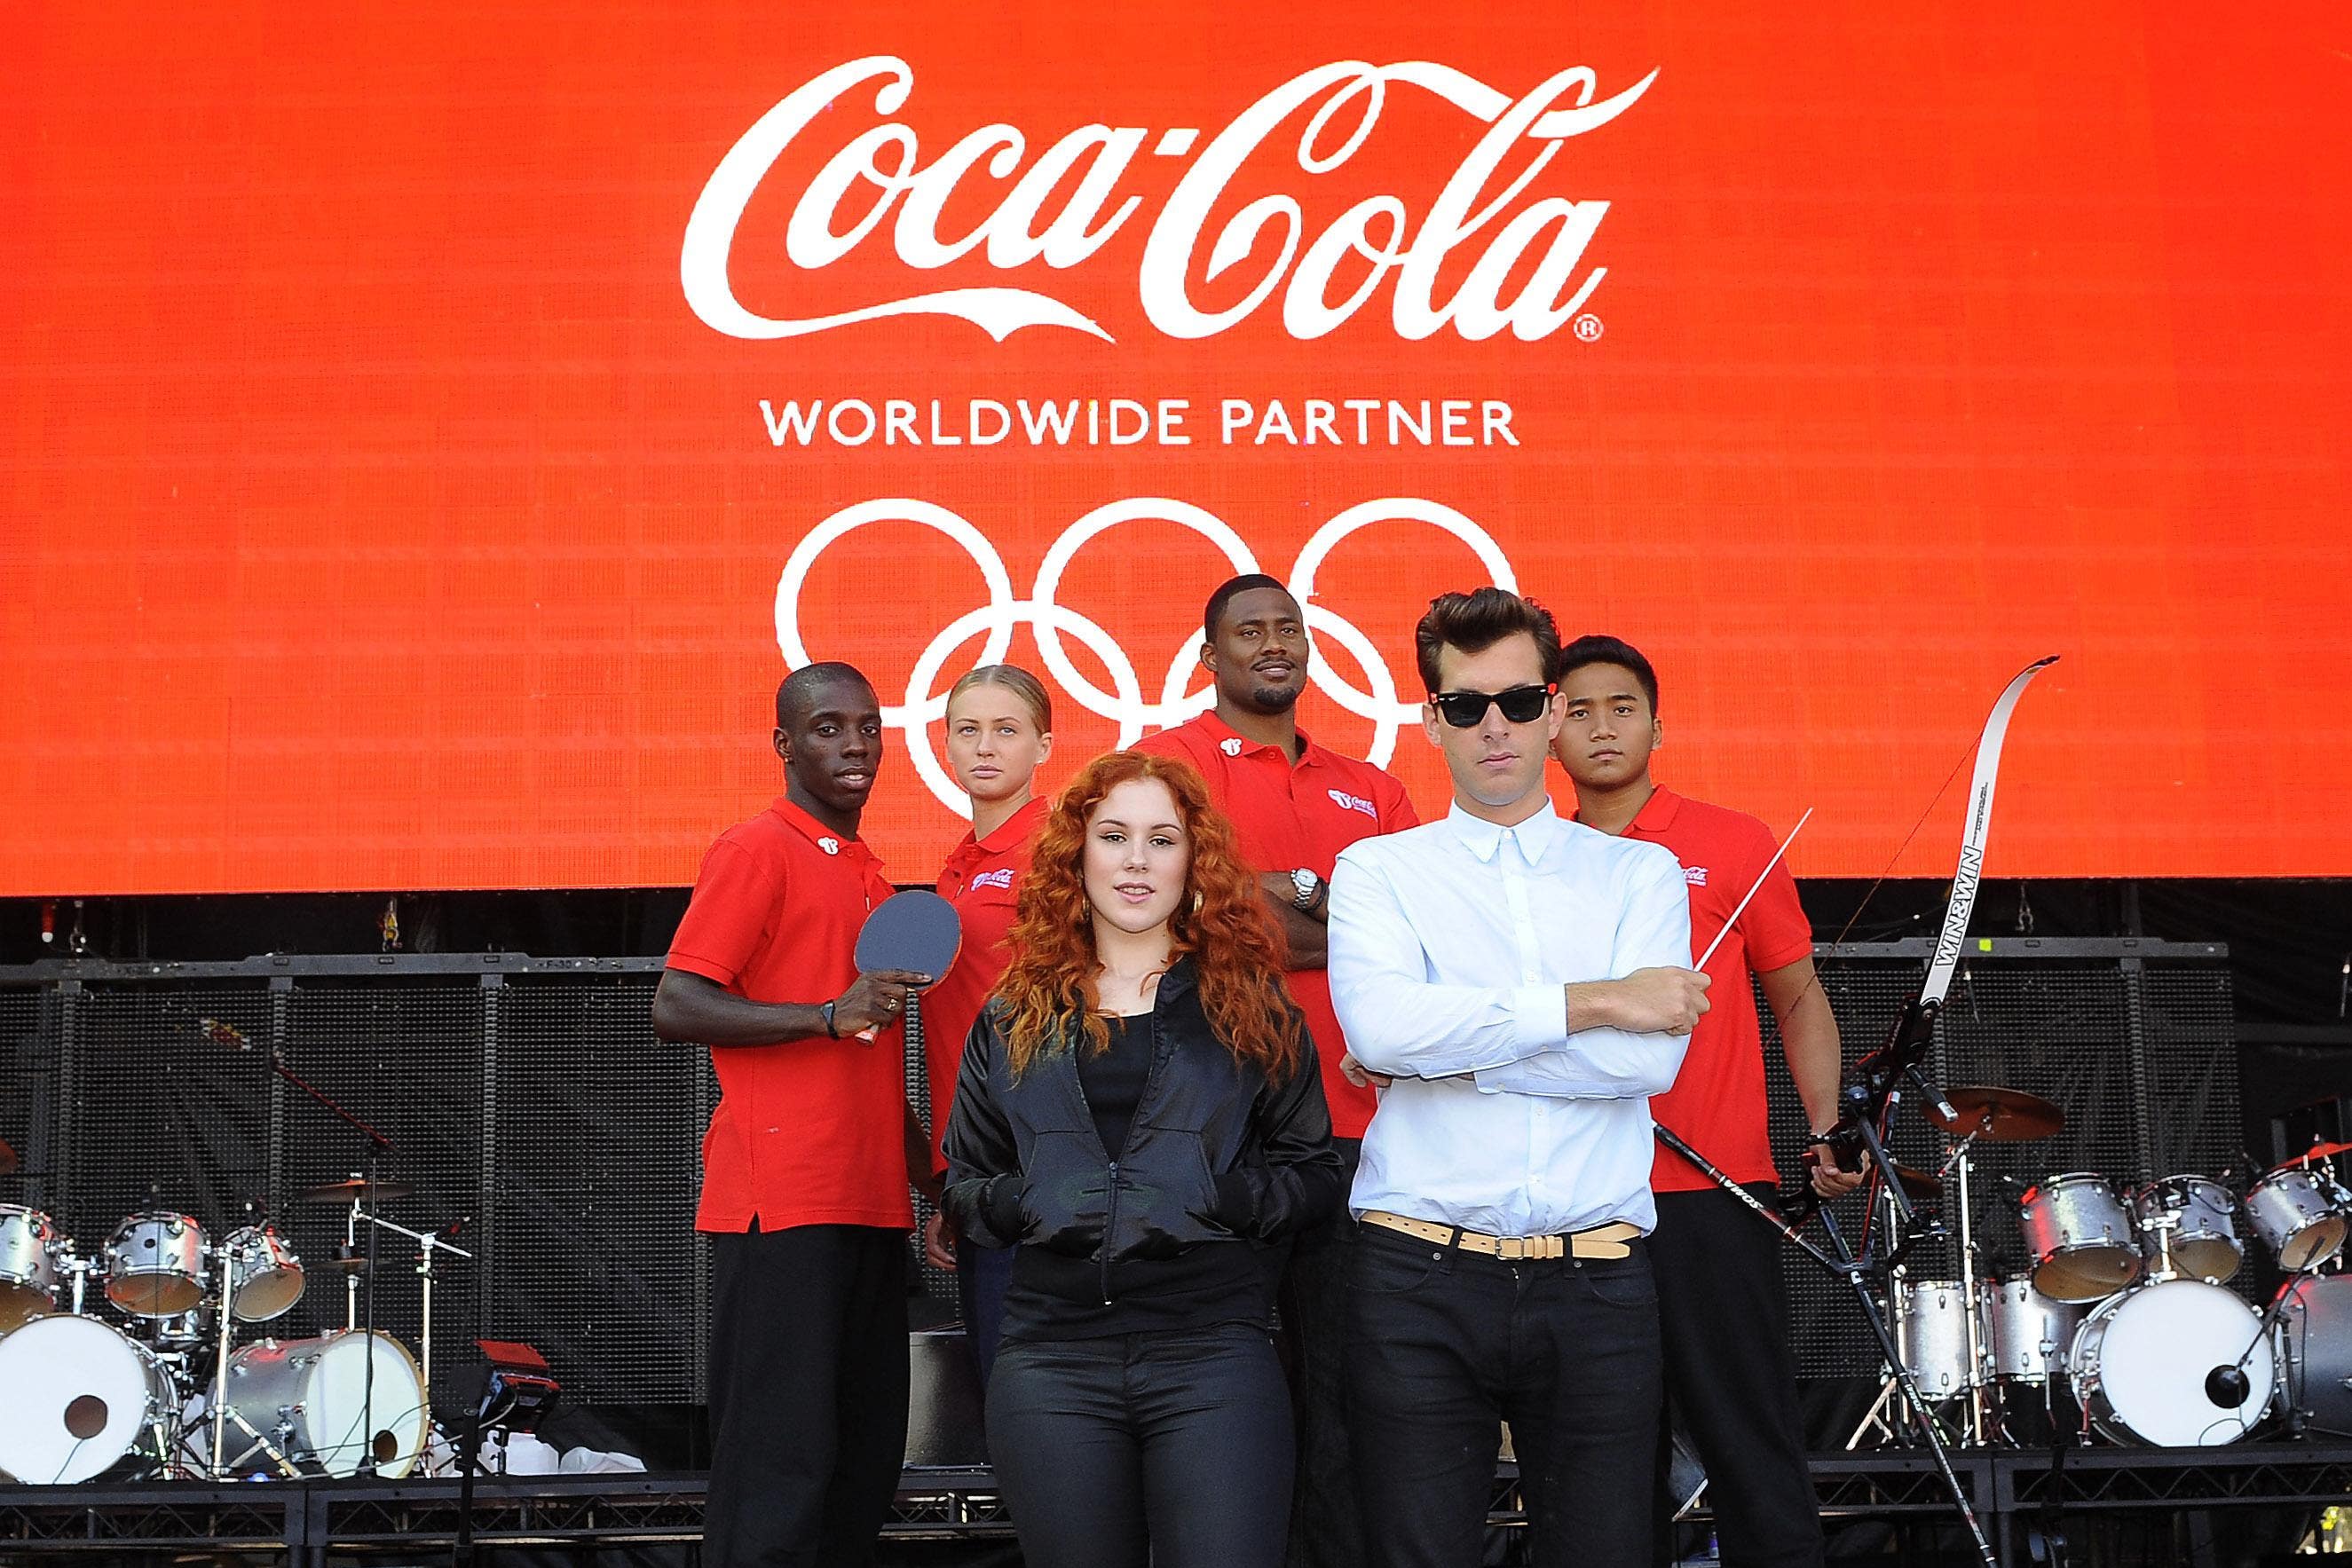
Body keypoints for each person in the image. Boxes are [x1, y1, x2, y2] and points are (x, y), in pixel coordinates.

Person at [1325, 588, 1710, 1568]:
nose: (1492, 726)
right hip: (1417, 1273)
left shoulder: (1641, 875)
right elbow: (1379, 1025)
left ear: (1551, 709)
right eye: (1465, 706)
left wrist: (1443, 1049)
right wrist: (1595, 1000)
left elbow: (1647, 1060)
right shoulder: (1377, 869)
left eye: (1516, 701)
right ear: (1431, 720)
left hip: (1598, 1279)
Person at [941, 750, 1346, 1568]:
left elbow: (1316, 1177)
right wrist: (1029, 1202)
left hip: (1213, 1356)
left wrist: (1217, 1196)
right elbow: (965, 1188)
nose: (1135, 859)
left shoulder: (1252, 1005)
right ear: (1076, 856)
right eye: (1114, 835)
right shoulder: (1014, 1013)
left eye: (1162, 839)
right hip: (1052, 1361)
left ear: (1194, 860)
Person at [1551, 634, 1856, 1568]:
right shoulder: (1530, 857)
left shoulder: (1731, 840)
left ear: (1658, 724)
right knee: (1600, 1458)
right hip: (1574, 1199)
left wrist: (1824, 1126)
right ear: (1547, 729)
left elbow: (1797, 997)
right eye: (1580, 710)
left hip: (1713, 1192)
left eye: (1623, 708)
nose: (1602, 727)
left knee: (1746, 1435)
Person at [1130, 572, 1416, 1568]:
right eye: (1246, 631)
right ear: (1209, 657)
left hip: (1353, 1128)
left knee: (1343, 1393)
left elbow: (1407, 935)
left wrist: (1239, 906)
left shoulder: (1371, 787)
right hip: (1210, 1131)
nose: (1271, 643)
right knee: (1215, 1390)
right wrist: (1315, 900)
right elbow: (1157, 906)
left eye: (1286, 627)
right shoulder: (1165, 768)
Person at [649, 661, 936, 1568]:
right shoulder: (754, 848)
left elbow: (868, 1071)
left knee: (859, 1468)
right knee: (781, 1468)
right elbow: (675, 1003)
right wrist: (824, 1014)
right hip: (782, 1207)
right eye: (827, 728)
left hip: (871, 1208)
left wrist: (937, 1183)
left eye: (868, 728)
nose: (853, 746)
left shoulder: (872, 876)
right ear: (783, 744)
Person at [919, 663, 1055, 1382]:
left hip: (1048, 1167)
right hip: (977, 1173)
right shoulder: (954, 869)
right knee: (1004, 1388)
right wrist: (948, 1182)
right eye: (968, 730)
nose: (986, 746)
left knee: (1040, 1394)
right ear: (943, 746)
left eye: (1008, 729)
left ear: (1044, 746)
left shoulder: (1064, 853)